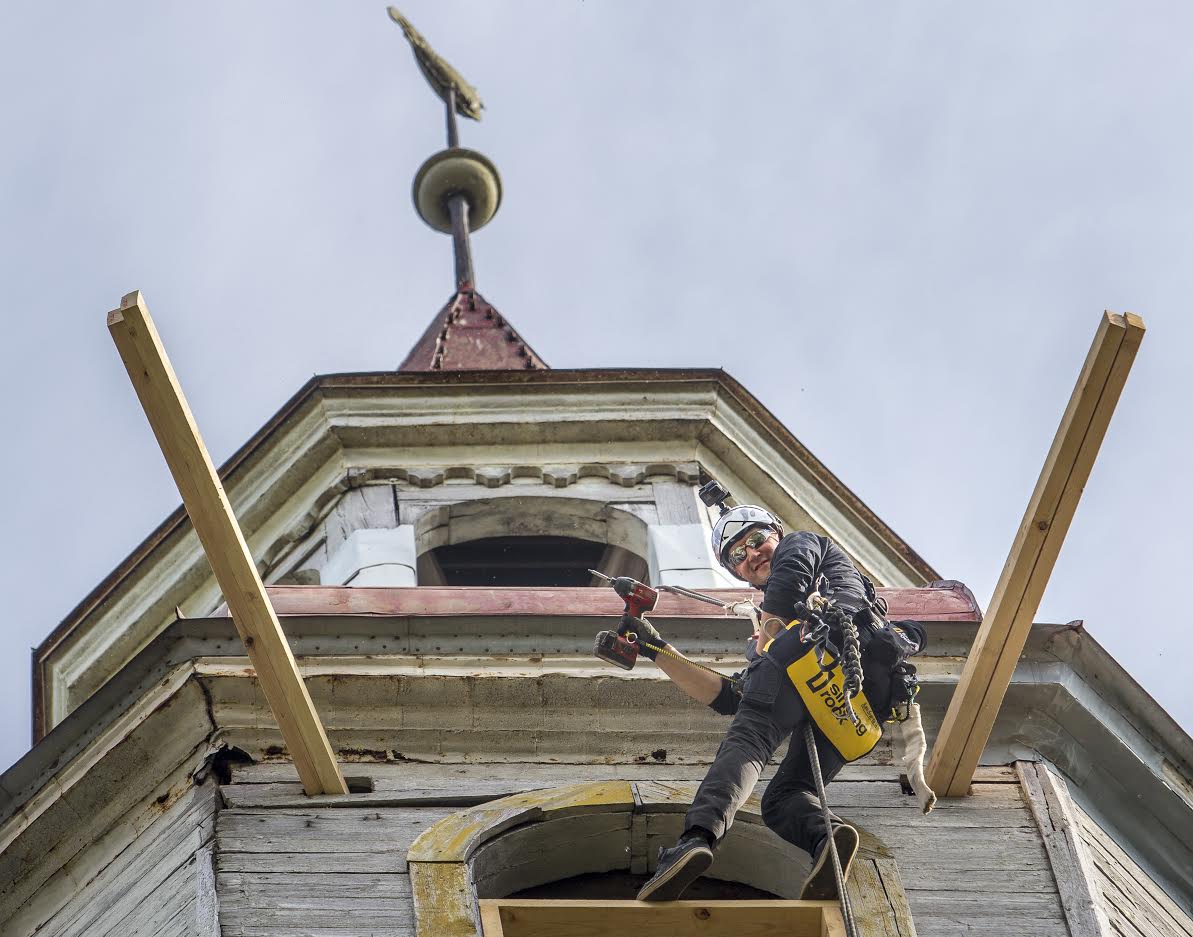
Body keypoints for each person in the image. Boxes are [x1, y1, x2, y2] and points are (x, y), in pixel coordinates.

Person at [630, 499, 898, 903]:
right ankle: (827, 838)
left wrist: (765, 643)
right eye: (738, 554)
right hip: (854, 701)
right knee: (783, 800)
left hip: (827, 652)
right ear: (735, 571)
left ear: (777, 533)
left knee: (749, 739)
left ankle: (696, 838)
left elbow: (790, 578)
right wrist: (657, 650)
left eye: (757, 540)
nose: (752, 554)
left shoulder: (804, 546)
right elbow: (732, 697)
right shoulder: (778, 628)